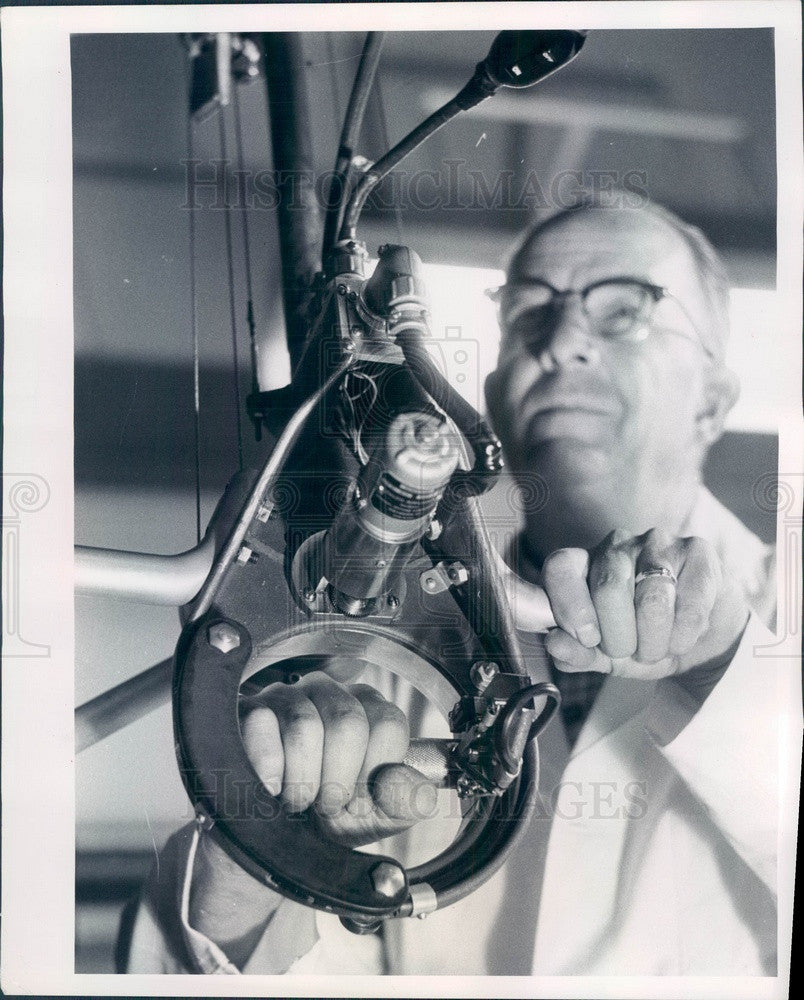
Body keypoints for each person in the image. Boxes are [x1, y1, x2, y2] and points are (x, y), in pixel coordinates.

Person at [122, 197, 781, 977]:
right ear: (494, 394)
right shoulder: (379, 657)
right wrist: (244, 882)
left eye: (624, 309)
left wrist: (725, 665)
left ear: (713, 400)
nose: (563, 340)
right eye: (532, 306)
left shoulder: (787, 608)